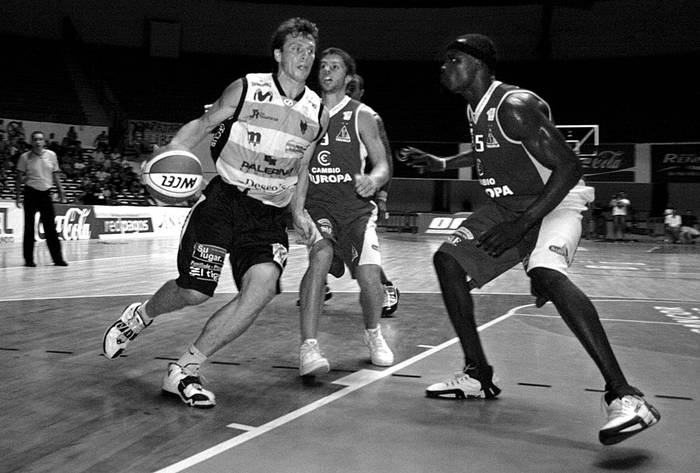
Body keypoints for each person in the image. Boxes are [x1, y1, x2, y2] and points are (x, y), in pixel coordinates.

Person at [399, 34, 659, 445]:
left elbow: (570, 167)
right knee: (448, 262)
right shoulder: (476, 108)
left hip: (555, 201)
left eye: (452, 60)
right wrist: (446, 162)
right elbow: (489, 150)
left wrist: (522, 228)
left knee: (546, 272)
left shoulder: (514, 106)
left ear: (478, 65)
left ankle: (626, 396)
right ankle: (477, 374)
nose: (443, 67)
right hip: (510, 207)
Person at [102, 17, 328, 408]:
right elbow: (204, 124)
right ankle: (141, 315)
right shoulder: (247, 88)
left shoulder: (317, 111)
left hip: (268, 216)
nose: (305, 56)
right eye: (296, 48)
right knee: (194, 291)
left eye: (310, 50)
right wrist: (167, 154)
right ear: (278, 54)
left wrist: (299, 211)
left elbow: (302, 167)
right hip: (225, 200)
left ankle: (184, 370)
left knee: (262, 288)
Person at [297, 47, 394, 376]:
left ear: (348, 77)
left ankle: (373, 334)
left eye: (335, 67)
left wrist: (374, 180)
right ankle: (308, 348)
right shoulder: (304, 110)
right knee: (320, 257)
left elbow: (382, 163)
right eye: (323, 66)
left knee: (369, 276)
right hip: (317, 205)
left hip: (355, 210)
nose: (327, 71)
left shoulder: (362, 115)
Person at [346, 73, 399, 316]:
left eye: (353, 88)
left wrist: (382, 197)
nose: (347, 91)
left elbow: (386, 160)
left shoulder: (368, 118)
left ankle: (385, 285)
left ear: (361, 92)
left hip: (357, 194)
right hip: (326, 191)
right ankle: (321, 285)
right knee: (324, 246)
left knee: (357, 248)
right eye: (345, 86)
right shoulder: (323, 112)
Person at [15, 131, 68, 267]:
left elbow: (55, 175)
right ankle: (29, 260)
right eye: (35, 139)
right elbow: (19, 178)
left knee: (50, 227)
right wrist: (18, 196)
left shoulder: (51, 155)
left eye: (40, 139)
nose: (38, 142)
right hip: (30, 193)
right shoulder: (24, 157)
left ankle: (58, 259)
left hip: (46, 193)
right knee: (29, 227)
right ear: (31, 141)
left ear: (44, 141)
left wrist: (61, 191)